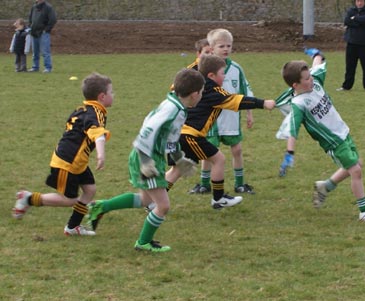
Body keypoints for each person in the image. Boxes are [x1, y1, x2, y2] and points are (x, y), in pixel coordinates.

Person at [87, 69, 205, 252]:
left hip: (147, 156)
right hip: (146, 157)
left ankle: (101, 207)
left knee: (144, 199)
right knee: (163, 206)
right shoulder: (173, 110)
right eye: (202, 92)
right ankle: (143, 243)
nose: (202, 95)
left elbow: (170, 138)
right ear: (195, 94)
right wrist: (145, 160)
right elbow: (148, 129)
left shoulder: (175, 105)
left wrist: (179, 160)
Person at [276, 48, 365, 223]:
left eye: (310, 75)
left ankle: (326, 186)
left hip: (343, 132)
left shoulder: (315, 82)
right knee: (356, 170)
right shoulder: (299, 104)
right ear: (296, 85)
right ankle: (364, 212)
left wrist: (316, 54)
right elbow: (292, 130)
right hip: (332, 142)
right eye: (307, 78)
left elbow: (317, 64)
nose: (311, 79)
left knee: (357, 163)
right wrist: (289, 153)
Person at [167, 54, 275, 209]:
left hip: (177, 134)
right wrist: (264, 103)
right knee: (219, 159)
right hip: (190, 135)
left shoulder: (195, 84)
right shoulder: (213, 92)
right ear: (211, 75)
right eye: (222, 73)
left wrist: (199, 62)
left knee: (177, 170)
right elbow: (238, 101)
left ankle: (152, 199)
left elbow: (176, 84)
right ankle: (218, 199)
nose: (224, 76)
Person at [12, 72, 114, 236]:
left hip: (76, 161)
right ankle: (28, 198)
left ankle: (72, 227)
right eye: (111, 92)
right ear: (102, 96)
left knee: (90, 190)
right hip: (68, 162)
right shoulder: (95, 113)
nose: (113, 95)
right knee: (68, 199)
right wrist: (101, 154)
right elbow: (96, 133)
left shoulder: (83, 109)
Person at [190, 29, 257, 195]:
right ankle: (204, 184)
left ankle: (240, 184)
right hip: (210, 121)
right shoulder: (203, 70)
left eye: (229, 45)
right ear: (211, 48)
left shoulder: (236, 69)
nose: (226, 49)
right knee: (208, 153)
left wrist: (249, 113)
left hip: (231, 118)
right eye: (221, 46)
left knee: (237, 150)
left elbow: (244, 92)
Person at [336, 0, 365, 92]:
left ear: (364, 2)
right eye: (358, 1)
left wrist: (355, 18)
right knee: (350, 67)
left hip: (364, 44)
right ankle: (346, 86)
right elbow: (347, 21)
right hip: (351, 43)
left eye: (361, 1)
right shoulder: (350, 11)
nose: (359, 3)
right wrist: (358, 21)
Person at [28, 0, 57, 73]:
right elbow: (30, 18)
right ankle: (35, 67)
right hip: (34, 32)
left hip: (43, 33)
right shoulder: (34, 7)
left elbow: (53, 19)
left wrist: (46, 29)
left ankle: (48, 67)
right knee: (35, 51)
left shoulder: (48, 7)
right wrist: (30, 27)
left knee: (45, 51)